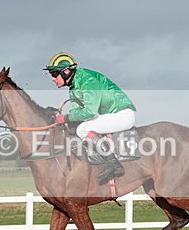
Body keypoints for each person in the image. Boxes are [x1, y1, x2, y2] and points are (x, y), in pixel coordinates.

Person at [44, 52, 137, 185]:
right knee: (78, 128)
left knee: (83, 128)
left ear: (65, 71)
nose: (53, 78)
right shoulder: (74, 86)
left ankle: (113, 163)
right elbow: (76, 112)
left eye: (54, 74)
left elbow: (90, 113)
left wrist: (66, 117)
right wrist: (64, 120)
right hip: (109, 116)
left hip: (122, 114)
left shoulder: (88, 81)